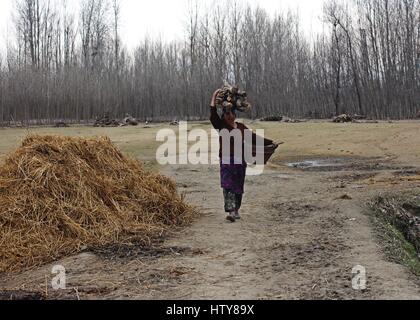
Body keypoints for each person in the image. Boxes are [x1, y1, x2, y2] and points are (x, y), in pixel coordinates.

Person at [209, 89, 278, 223]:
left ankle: (236, 210)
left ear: (235, 115)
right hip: (227, 161)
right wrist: (214, 97)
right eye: (226, 114)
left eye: (231, 114)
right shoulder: (221, 126)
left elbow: (253, 138)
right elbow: (212, 115)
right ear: (223, 116)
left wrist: (270, 142)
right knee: (227, 185)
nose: (229, 116)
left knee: (238, 186)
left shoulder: (241, 127)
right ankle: (230, 211)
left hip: (241, 161)